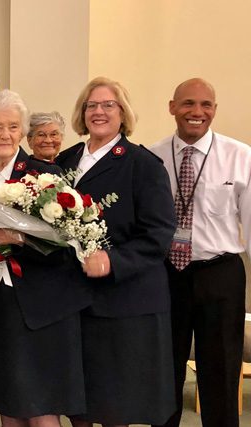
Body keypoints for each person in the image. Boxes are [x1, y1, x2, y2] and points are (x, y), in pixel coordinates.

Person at [0, 90, 92, 427]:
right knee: (10, 400)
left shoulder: (45, 175)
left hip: (42, 304)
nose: (4, 135)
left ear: (22, 132)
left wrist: (19, 238)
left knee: (41, 403)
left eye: (12, 127)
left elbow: (70, 240)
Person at [56, 77, 177, 427]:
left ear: (123, 113)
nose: (99, 112)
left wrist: (114, 261)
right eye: (91, 105)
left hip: (124, 303)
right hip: (75, 300)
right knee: (79, 403)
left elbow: (158, 234)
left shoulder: (143, 164)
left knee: (114, 407)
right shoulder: (66, 161)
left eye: (108, 105)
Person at [150, 78, 251, 427]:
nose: (197, 112)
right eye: (188, 103)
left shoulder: (241, 156)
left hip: (220, 274)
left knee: (221, 374)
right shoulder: (152, 157)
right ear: (172, 107)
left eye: (206, 105)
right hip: (166, 275)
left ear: (215, 110)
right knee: (164, 373)